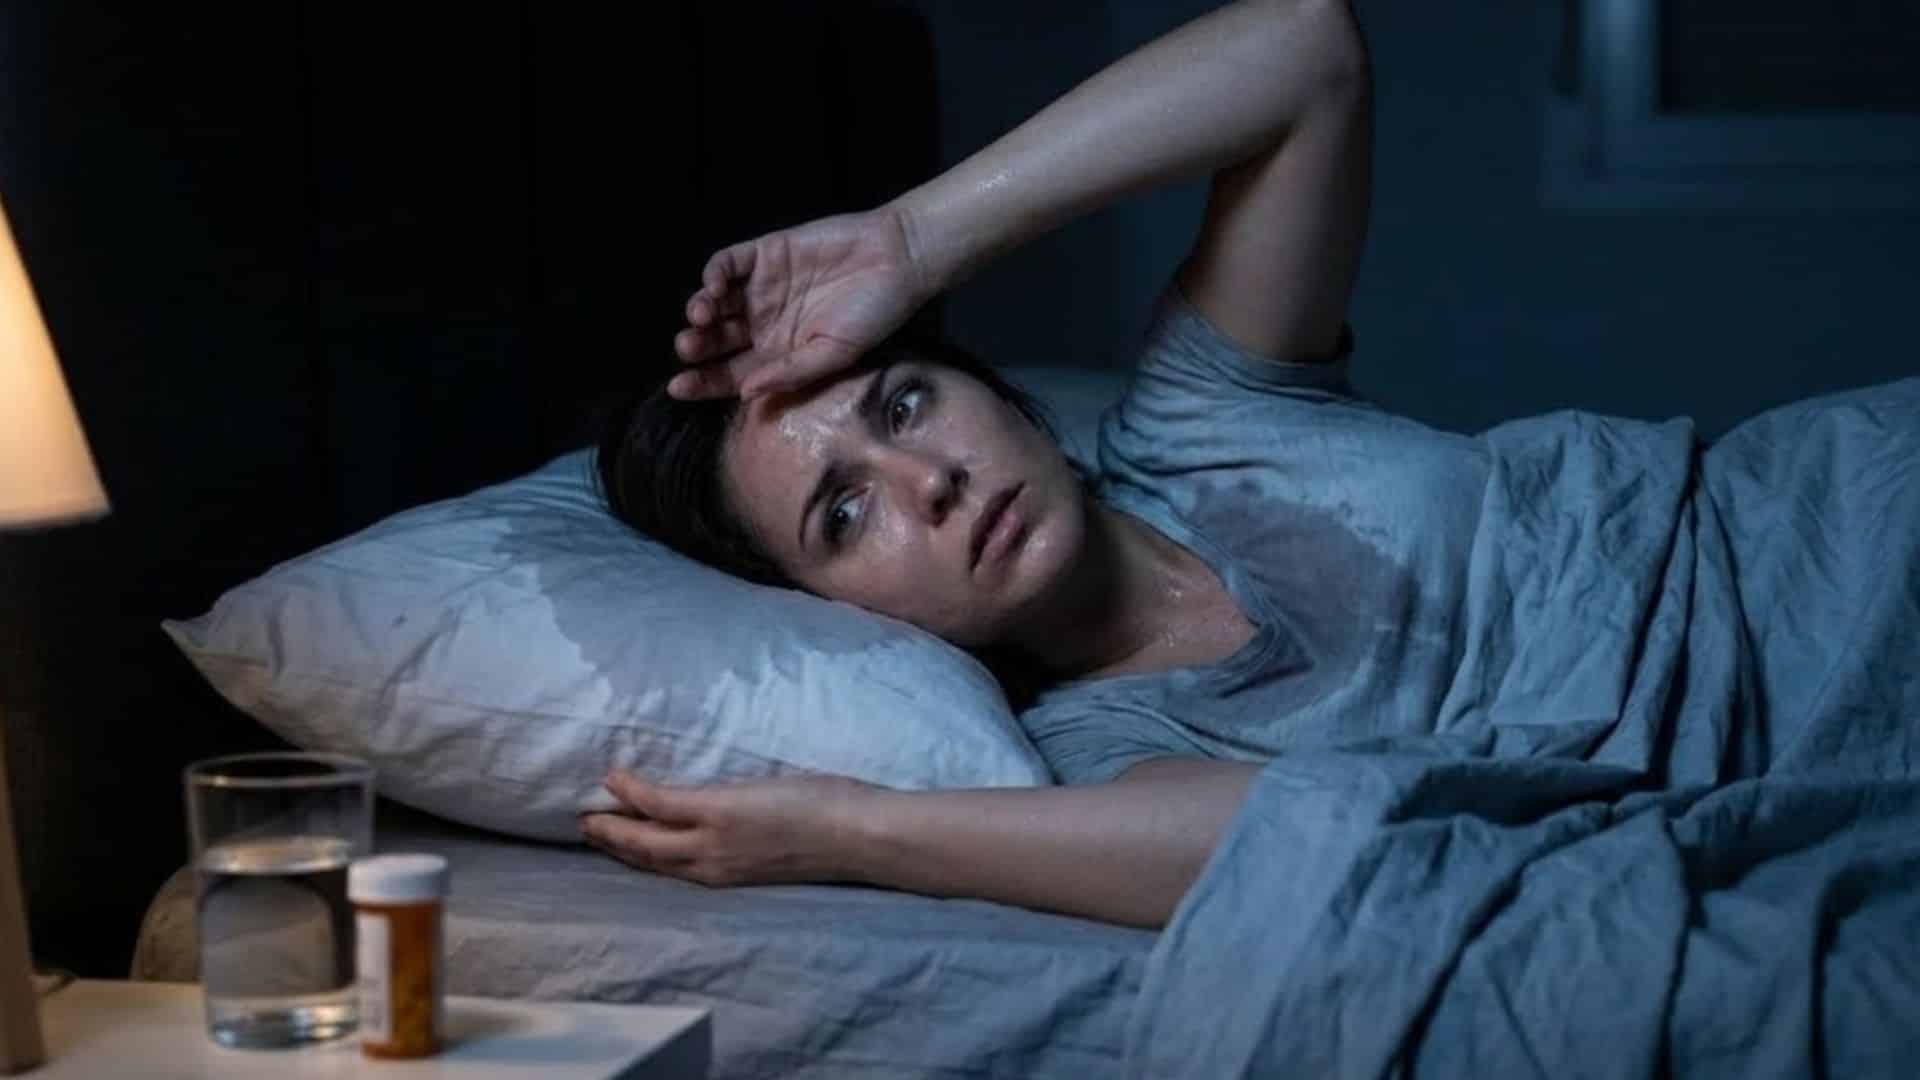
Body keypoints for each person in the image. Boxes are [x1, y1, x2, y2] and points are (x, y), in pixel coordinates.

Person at [582, 0, 1920, 932]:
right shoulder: (1090, 751)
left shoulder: (1205, 407)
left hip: (1831, 517)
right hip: (1810, 742)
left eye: (909, 399)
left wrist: (914, 242)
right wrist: (847, 832)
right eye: (845, 510)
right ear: (835, 616)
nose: (925, 475)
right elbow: (1299, 837)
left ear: (1006, 400)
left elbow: (1303, 50)